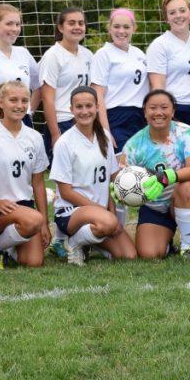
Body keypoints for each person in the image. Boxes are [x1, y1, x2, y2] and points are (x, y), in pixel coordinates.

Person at [49, 86, 137, 265]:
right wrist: (101, 211)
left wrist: (111, 210)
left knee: (128, 255)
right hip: (71, 212)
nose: (84, 111)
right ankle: (72, 243)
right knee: (107, 223)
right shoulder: (64, 143)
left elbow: (110, 180)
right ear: (71, 109)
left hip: (100, 212)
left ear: (97, 107)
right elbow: (66, 193)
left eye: (89, 106)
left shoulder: (104, 135)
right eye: (79, 107)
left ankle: (89, 241)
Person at [122, 89, 190, 258]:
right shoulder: (133, 145)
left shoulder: (187, 133)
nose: (158, 112)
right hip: (155, 206)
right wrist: (120, 190)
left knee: (186, 187)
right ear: (145, 112)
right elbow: (125, 177)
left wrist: (166, 177)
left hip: (186, 200)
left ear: (173, 111)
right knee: (149, 254)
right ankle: (166, 243)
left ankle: (188, 248)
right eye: (152, 108)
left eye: (164, 107)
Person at [39, 7, 94, 259]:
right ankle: (60, 238)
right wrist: (53, 132)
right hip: (62, 121)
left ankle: (70, 235)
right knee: (65, 182)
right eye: (71, 23)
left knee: (82, 177)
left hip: (84, 120)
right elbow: (47, 98)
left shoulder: (87, 54)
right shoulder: (53, 55)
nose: (77, 27)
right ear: (60, 27)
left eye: (80, 23)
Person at [0, 81, 51, 268]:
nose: (19, 106)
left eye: (24, 100)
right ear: (0, 102)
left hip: (24, 207)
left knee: (33, 262)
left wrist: (45, 223)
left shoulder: (34, 137)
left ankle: (2, 246)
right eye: (13, 100)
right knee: (34, 219)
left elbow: (38, 183)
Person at [146, 0, 190, 142]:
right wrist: (164, 115)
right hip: (177, 111)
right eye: (172, 12)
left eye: (182, 10)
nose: (178, 15)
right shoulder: (159, 45)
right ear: (166, 18)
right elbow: (157, 87)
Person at [90, 8, 150, 153]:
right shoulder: (103, 54)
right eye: (116, 26)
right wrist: (105, 130)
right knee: (124, 169)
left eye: (126, 27)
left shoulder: (139, 53)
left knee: (143, 165)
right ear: (109, 28)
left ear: (134, 29)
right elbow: (97, 94)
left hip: (140, 116)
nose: (121, 31)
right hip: (117, 118)